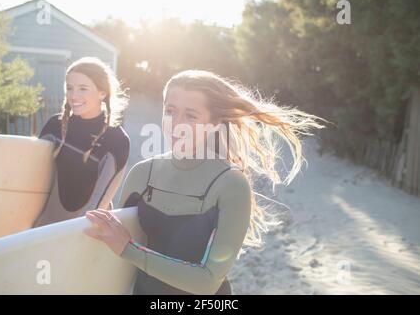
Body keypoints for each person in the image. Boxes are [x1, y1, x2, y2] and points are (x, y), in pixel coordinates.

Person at [84, 70, 325, 294]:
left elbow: (208, 281)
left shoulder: (230, 184)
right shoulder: (141, 173)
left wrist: (128, 250)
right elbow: (116, 260)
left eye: (191, 115)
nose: (177, 123)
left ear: (214, 124)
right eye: (170, 111)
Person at [34, 57, 130, 227]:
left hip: (84, 233)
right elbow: (34, 178)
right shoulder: (54, 126)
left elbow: (99, 202)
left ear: (103, 92)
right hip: (42, 228)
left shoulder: (116, 140)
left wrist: (74, 234)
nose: (73, 95)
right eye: (69, 88)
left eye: (83, 89)